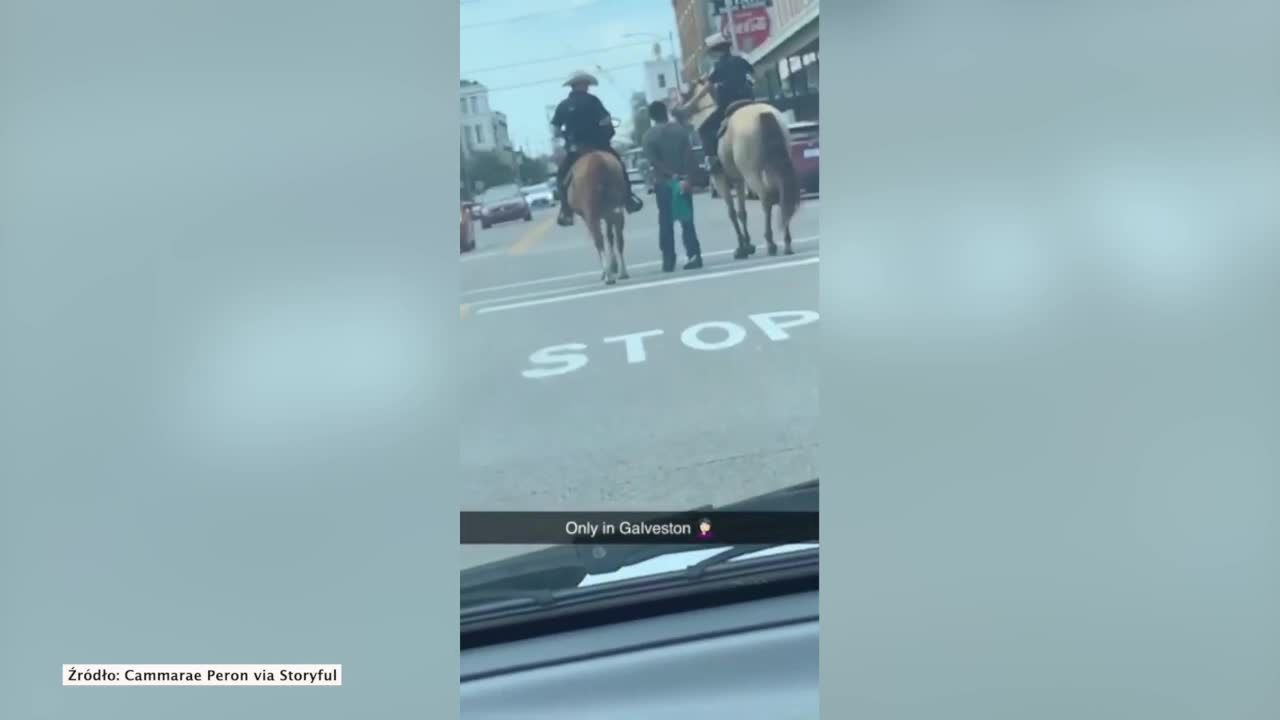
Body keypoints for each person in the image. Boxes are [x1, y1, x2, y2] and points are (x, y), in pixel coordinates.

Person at [549, 70, 644, 227]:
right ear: (581, 85)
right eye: (586, 84)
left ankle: (565, 210)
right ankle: (629, 199)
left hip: (575, 150)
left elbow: (555, 130)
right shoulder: (593, 101)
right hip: (599, 146)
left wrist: (565, 133)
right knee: (619, 166)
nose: (587, 87)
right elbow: (606, 120)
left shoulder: (563, 106)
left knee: (561, 177)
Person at [642, 100, 702, 272]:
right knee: (687, 219)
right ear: (665, 113)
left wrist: (670, 174)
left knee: (666, 221)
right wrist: (686, 177)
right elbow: (689, 155)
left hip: (664, 183)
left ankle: (668, 259)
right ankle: (694, 254)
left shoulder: (648, 136)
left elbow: (653, 161)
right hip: (683, 180)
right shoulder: (680, 131)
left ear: (652, 117)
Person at [696, 33, 756, 175]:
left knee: (704, 128)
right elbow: (754, 77)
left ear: (717, 52)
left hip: (728, 106)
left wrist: (691, 104)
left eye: (712, 53)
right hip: (749, 101)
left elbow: (706, 89)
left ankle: (712, 160)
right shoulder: (741, 60)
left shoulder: (717, 67)